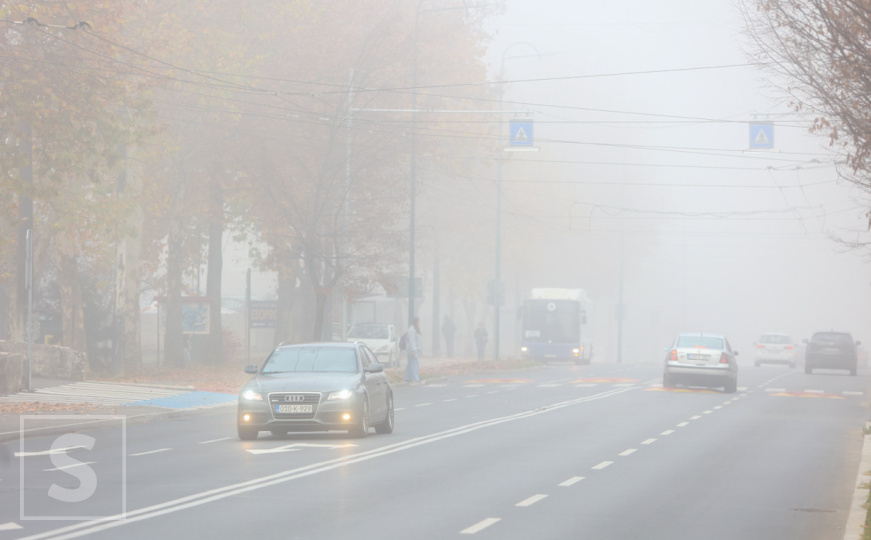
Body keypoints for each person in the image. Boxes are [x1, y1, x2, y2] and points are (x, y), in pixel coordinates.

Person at [404, 317, 422, 383]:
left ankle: (407, 377)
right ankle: (415, 378)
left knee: (410, 363)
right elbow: (412, 341)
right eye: (419, 322)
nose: (420, 323)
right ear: (416, 322)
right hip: (412, 349)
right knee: (414, 364)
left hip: (415, 349)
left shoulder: (415, 329)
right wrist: (413, 350)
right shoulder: (411, 330)